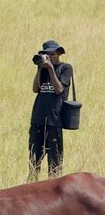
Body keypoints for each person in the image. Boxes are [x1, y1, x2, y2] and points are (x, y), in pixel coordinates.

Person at [29, 40, 74, 181]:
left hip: (54, 121)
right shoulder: (42, 69)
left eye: (52, 54)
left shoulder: (65, 68)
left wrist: (50, 69)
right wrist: (40, 69)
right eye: (47, 54)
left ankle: (53, 190)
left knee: (54, 163)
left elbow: (59, 89)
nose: (50, 57)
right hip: (38, 119)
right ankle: (33, 185)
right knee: (34, 160)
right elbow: (36, 89)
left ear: (58, 54)